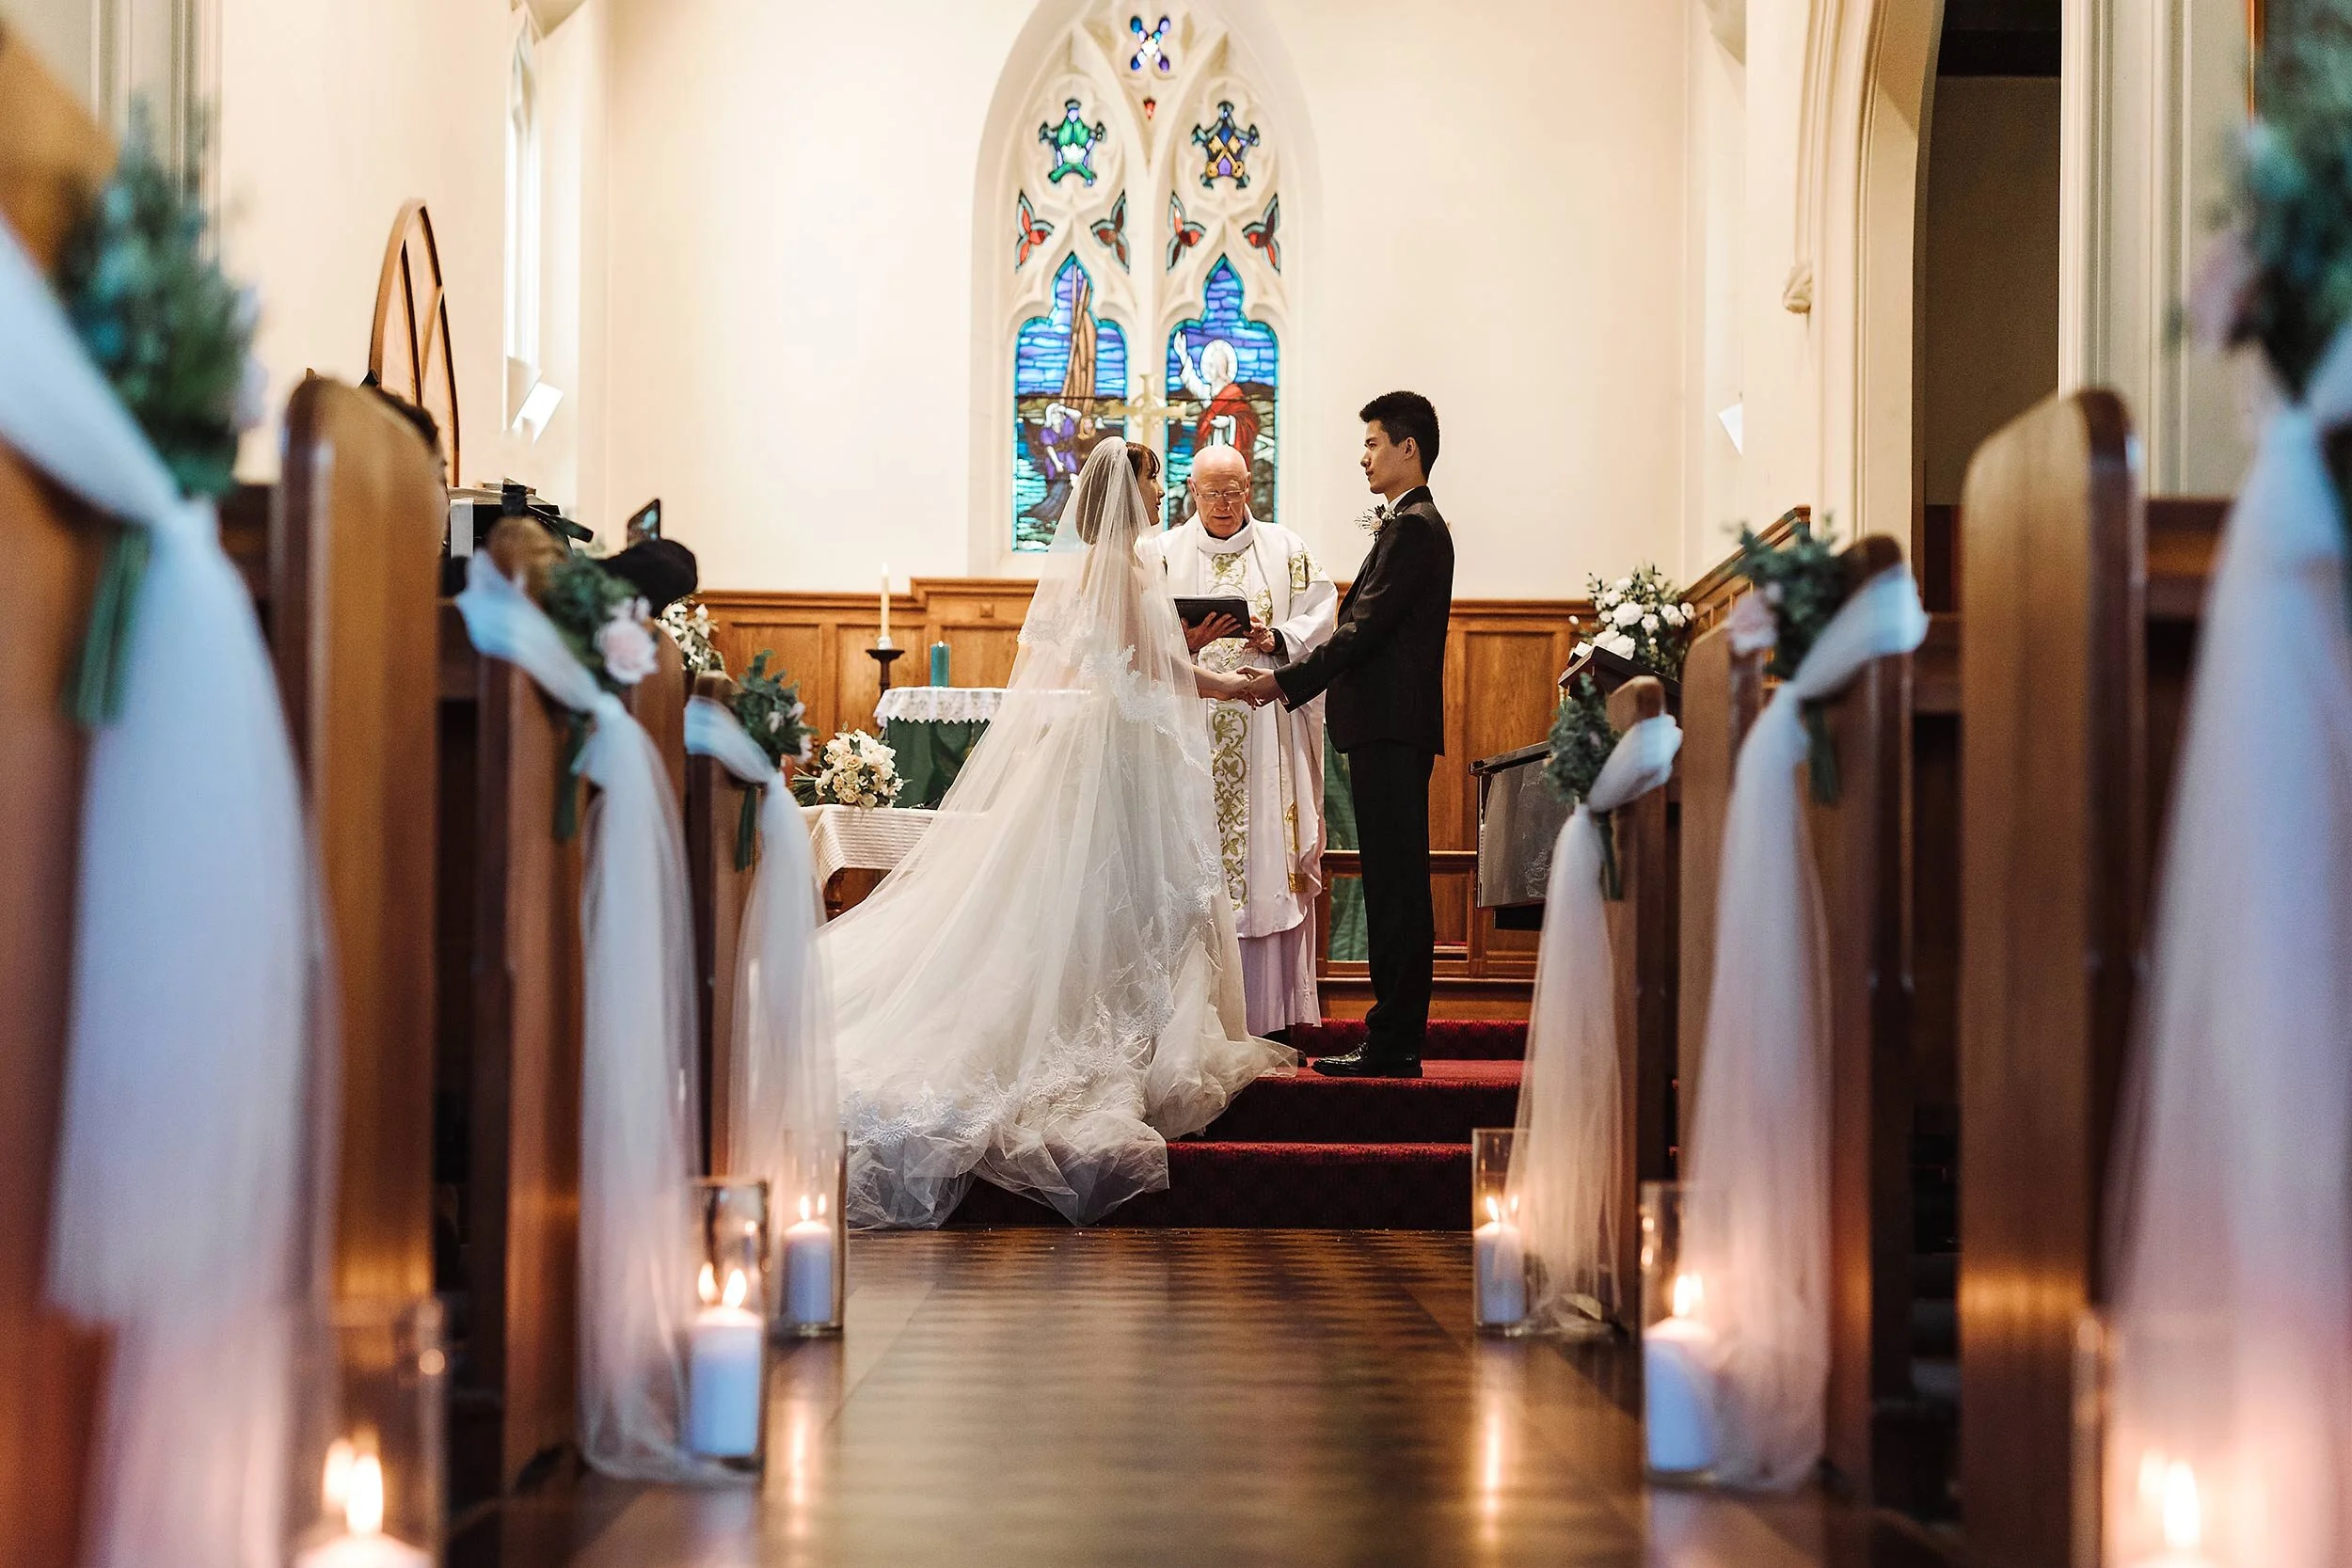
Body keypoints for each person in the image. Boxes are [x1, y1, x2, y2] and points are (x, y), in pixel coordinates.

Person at [826, 438, 1292, 1228]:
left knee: (1127, 899)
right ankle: (1112, 1040)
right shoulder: (1118, 567)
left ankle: (1146, 1034)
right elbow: (1151, 668)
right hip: (1120, 753)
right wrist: (1234, 685)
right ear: (1128, 489)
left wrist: (1204, 666)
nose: (1161, 492)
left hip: (1129, 744)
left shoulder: (1133, 564)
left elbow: (1152, 661)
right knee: (1115, 896)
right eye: (1154, 480)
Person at [1241, 391, 1452, 1079]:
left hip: (1391, 728)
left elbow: (1362, 632)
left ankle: (1394, 1042)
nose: (1363, 456)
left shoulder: (1415, 528)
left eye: (1372, 442)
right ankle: (1393, 1037)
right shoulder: (1409, 524)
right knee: (1393, 881)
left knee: (1397, 885)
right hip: (1386, 729)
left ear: (1407, 448)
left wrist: (1284, 680)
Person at [1142, 442, 1336, 1040]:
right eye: (1210, 492)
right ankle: (1191, 1020)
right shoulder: (1161, 553)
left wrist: (1274, 639)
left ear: (1250, 487)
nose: (1223, 504)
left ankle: (1270, 1014)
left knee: (1264, 861)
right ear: (1190, 492)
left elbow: (1322, 617)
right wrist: (1191, 639)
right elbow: (1143, 641)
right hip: (1187, 727)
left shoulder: (1287, 549)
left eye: (1234, 490)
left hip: (1265, 730)